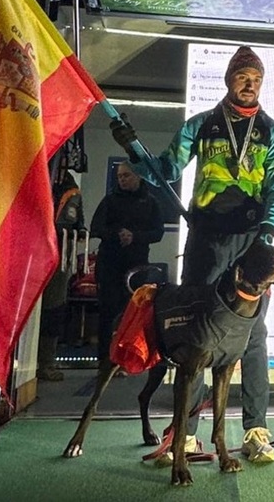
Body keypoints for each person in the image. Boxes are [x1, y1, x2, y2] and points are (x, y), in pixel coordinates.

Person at [110, 45, 274, 464]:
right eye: (243, 77)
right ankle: (187, 434)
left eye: (257, 79)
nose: (250, 85)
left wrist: (268, 232)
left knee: (253, 334)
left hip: (250, 244)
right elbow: (165, 171)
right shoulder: (202, 125)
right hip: (205, 240)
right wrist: (134, 151)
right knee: (194, 332)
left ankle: (255, 430)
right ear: (229, 80)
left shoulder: (273, 133)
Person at [88, 162, 165, 370]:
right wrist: (118, 234)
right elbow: (96, 228)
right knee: (108, 312)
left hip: (137, 266)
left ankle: (129, 359)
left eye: (127, 176)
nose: (122, 179)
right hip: (109, 264)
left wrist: (135, 237)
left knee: (132, 313)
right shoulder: (109, 201)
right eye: (120, 176)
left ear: (138, 177)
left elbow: (158, 232)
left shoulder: (150, 203)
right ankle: (104, 359)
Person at [37, 168, 84, 382]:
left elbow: (78, 223)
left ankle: (47, 361)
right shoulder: (33, 176)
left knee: (54, 309)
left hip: (59, 254)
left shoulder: (70, 189)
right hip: (29, 252)